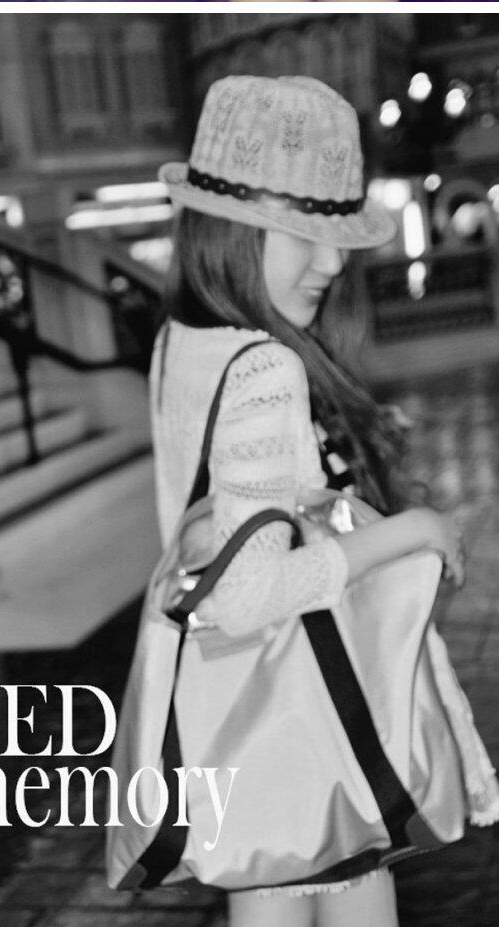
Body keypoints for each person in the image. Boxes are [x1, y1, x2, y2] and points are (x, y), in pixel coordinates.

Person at [149, 76, 499, 927]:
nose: (334, 261)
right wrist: (413, 530)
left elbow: (214, 538)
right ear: (231, 227)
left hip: (241, 727)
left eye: (336, 232)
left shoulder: (180, 342)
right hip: (307, 734)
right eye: (303, 231)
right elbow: (249, 593)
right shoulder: (265, 366)